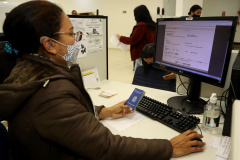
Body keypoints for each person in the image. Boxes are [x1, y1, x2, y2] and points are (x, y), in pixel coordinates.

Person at [0, 1, 205, 160]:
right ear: (49, 45)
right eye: (72, 33)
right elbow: (107, 147)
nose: (76, 39)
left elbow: (64, 114)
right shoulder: (49, 91)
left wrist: (101, 111)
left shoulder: (27, 72)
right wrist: (169, 147)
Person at [116, 5, 156, 71]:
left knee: (139, 73)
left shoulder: (140, 26)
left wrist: (121, 38)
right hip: (150, 53)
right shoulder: (153, 24)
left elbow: (133, 40)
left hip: (141, 54)